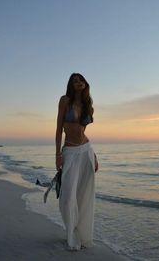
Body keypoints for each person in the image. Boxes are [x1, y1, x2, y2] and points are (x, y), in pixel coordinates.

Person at [55, 73, 98, 251]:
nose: (78, 83)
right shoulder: (65, 100)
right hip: (70, 152)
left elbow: (83, 131)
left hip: (86, 150)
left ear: (85, 83)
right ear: (71, 85)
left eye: (80, 80)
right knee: (67, 197)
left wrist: (94, 155)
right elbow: (59, 130)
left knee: (85, 195)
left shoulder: (88, 105)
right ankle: (71, 233)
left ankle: (82, 235)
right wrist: (58, 154)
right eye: (75, 81)